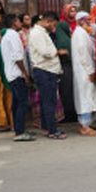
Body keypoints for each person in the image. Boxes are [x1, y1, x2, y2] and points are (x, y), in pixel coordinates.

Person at [29, 11, 66, 140]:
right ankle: (52, 130)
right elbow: (45, 52)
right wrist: (57, 52)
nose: (54, 28)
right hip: (44, 70)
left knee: (48, 101)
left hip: (49, 70)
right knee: (49, 101)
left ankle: (48, 126)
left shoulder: (42, 32)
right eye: (53, 25)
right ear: (47, 22)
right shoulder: (37, 33)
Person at [1, 14, 33, 142]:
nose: (20, 23)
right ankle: (20, 131)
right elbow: (17, 57)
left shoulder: (6, 36)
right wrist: (25, 73)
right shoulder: (13, 35)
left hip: (11, 73)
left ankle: (19, 128)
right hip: (16, 74)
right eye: (19, 21)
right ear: (14, 22)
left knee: (16, 103)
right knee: (22, 102)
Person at [70, 11, 96, 137]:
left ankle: (86, 124)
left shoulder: (82, 33)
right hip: (84, 71)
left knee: (87, 97)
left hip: (84, 70)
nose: (90, 22)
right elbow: (84, 55)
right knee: (85, 98)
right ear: (81, 21)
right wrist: (90, 71)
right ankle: (85, 126)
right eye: (87, 20)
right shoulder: (80, 34)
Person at [55, 4, 79, 124]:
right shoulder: (61, 27)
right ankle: (68, 113)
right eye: (71, 11)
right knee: (67, 90)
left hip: (73, 65)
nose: (73, 13)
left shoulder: (77, 25)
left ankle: (72, 112)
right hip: (65, 66)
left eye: (75, 11)